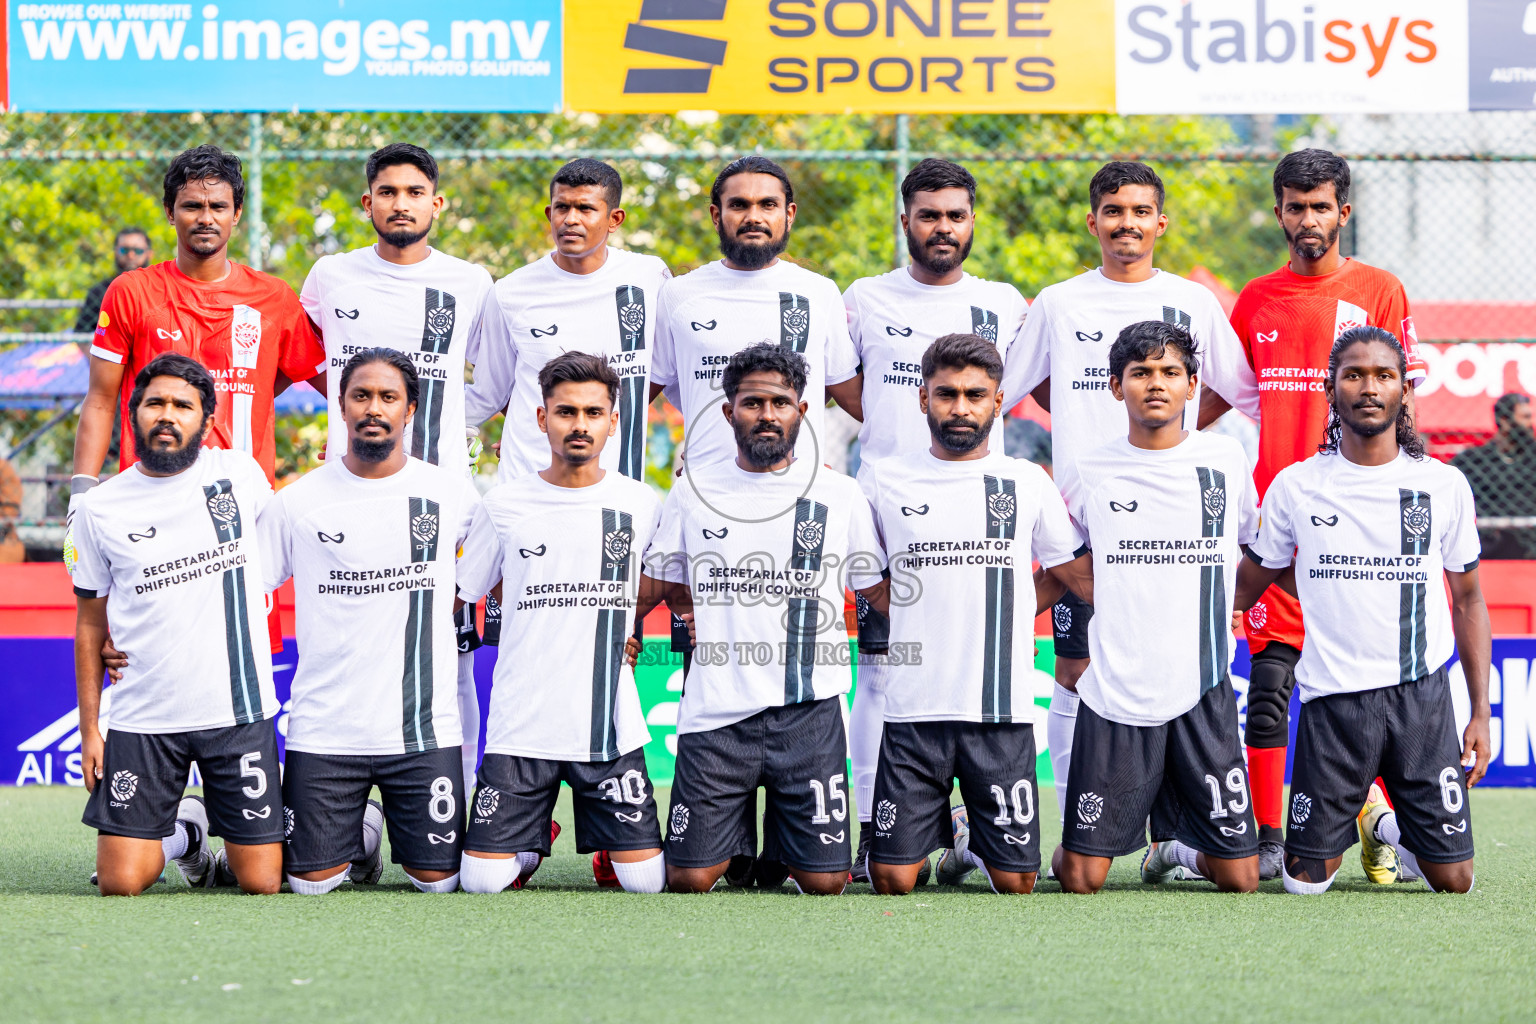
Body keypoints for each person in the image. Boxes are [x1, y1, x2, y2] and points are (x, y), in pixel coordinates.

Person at [1004, 161, 1257, 832]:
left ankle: (1173, 836)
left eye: (1140, 211)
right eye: (1113, 211)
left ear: (1160, 223)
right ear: (1094, 222)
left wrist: (1170, 441)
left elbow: (1237, 388)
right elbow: (1008, 389)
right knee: (1075, 667)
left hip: (1174, 525)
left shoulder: (1193, 304)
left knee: (1176, 662)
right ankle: (1074, 825)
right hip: (1086, 526)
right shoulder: (1060, 302)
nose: (1127, 223)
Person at [1209, 149, 1428, 881]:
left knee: (1373, 700)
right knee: (1269, 692)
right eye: (1295, 207)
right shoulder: (1256, 299)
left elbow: (1407, 402)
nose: (1309, 220)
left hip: (1363, 529)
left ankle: (1391, 822)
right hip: (1280, 527)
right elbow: (1222, 400)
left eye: (1321, 206)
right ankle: (1271, 836)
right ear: (1278, 213)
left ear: (1345, 210)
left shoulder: (1379, 290)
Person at [1236, 326, 1491, 895]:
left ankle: (1386, 826)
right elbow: (1250, 581)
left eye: (1383, 375)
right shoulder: (1297, 486)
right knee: (1303, 886)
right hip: (1333, 705)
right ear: (1331, 391)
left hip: (1421, 700)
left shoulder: (1442, 485)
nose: (1368, 387)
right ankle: (1369, 821)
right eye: (1353, 374)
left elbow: (1469, 598)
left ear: (1405, 391)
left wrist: (1479, 712)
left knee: (1454, 882)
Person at [839, 159, 1029, 882]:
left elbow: (1023, 388)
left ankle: (984, 833)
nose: (942, 227)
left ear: (972, 221)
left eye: (955, 215)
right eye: (928, 214)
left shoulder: (1004, 304)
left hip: (981, 525)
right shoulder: (865, 298)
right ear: (905, 220)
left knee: (979, 680)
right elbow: (851, 394)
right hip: (891, 518)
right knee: (883, 676)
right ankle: (869, 828)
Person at [637, 343, 884, 895]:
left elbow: (877, 589)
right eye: (752, 403)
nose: (767, 414)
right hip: (716, 711)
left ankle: (772, 853)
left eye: (780, 402)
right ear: (729, 412)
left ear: (802, 410)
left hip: (809, 712)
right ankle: (742, 848)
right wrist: (645, 625)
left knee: (826, 884)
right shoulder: (692, 489)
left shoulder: (842, 495)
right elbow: (661, 578)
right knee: (688, 879)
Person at [72, 145, 325, 656]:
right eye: (191, 206)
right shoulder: (131, 292)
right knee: (141, 655)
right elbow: (100, 399)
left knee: (237, 654)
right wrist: (81, 495)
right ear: (170, 213)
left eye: (217, 207)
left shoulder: (274, 299)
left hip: (242, 515)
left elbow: (334, 385)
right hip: (149, 509)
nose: (204, 218)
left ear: (236, 214)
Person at [859, 334, 1086, 896]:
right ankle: (951, 827)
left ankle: (963, 838)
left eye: (975, 395)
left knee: (1016, 884)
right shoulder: (884, 479)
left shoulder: (1026, 481)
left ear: (997, 400)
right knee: (891, 881)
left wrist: (1014, 604)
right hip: (913, 710)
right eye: (947, 394)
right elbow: (871, 582)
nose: (960, 408)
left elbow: (1067, 570)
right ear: (922, 399)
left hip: (1000, 712)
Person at [298, 142, 495, 792]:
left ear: (437, 203)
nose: (401, 203)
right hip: (348, 500)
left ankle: (459, 808)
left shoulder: (470, 283)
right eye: (388, 192)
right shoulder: (330, 276)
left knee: (450, 659)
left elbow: (496, 384)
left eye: (415, 193)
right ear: (367, 202)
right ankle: (344, 805)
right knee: (344, 647)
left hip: (444, 508)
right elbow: (310, 365)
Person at [1050, 321, 1261, 895]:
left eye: (1170, 372)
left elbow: (1250, 553)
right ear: (1116, 387)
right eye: (1140, 373)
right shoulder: (1088, 472)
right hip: (1118, 690)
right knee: (1079, 879)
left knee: (1241, 879)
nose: (1156, 384)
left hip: (1202, 687)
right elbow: (1065, 567)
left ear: (1193, 385)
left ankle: (1172, 848)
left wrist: (1224, 610)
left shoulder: (1225, 461)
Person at [259, 349, 478, 896]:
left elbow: (494, 582)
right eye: (361, 396)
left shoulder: (453, 496)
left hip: (422, 731)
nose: (373, 408)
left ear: (409, 411)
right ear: (341, 405)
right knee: (311, 885)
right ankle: (358, 837)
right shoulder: (297, 503)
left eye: (388, 397)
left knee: (440, 883)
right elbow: (243, 592)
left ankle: (368, 833)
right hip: (326, 729)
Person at [68, 353, 283, 896]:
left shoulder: (240, 476)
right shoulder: (100, 508)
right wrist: (90, 729)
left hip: (237, 710)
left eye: (183, 405)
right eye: (154, 403)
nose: (168, 415)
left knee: (261, 882)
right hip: (144, 715)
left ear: (206, 422)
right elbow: (90, 623)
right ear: (133, 412)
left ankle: (205, 833)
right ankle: (186, 835)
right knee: (121, 883)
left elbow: (286, 552)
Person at [455, 352, 666, 895]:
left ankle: (608, 850)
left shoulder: (642, 503)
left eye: (593, 412)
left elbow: (664, 583)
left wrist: (627, 625)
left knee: (645, 884)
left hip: (608, 722)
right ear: (541, 418)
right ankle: (530, 839)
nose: (580, 424)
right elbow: (472, 588)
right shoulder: (502, 504)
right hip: (522, 721)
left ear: (613, 420)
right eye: (566, 411)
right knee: (481, 882)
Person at [650, 156, 862, 470]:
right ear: (716, 215)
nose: (753, 217)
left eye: (767, 205)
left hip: (797, 488)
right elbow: (640, 394)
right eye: (738, 205)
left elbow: (840, 392)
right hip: (707, 486)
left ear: (789, 214)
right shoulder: (679, 295)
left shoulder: (819, 293)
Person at [466, 159, 671, 483]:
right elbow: (495, 389)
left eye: (585, 209)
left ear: (614, 219)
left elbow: (661, 370)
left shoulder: (649, 278)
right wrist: (541, 428)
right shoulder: (510, 292)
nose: (570, 219)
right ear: (550, 214)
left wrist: (603, 417)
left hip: (617, 480)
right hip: (527, 479)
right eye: (562, 207)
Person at [1452, 393, 1536, 559]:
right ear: (1504, 421)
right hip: (1489, 545)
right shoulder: (1474, 461)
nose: (1530, 424)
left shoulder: (1533, 458)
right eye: (1525, 417)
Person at [73, 227, 152, 335]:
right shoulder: (100, 291)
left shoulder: (161, 288)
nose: (130, 255)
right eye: (124, 250)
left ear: (149, 253)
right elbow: (81, 335)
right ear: (115, 252)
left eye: (138, 251)